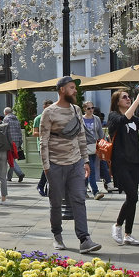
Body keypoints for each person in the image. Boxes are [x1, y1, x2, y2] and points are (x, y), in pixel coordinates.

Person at [41, 76, 101, 254]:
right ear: (62, 90)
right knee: (56, 202)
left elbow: (81, 136)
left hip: (75, 163)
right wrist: (46, 166)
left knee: (79, 199)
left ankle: (84, 239)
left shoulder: (76, 110)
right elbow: (43, 141)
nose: (75, 91)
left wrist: (85, 161)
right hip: (55, 164)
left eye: (75, 88)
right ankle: (57, 235)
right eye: (72, 87)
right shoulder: (49, 112)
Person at [106, 87, 139, 246]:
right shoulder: (113, 116)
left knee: (132, 199)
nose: (128, 99)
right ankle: (117, 225)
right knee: (133, 196)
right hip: (121, 163)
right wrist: (137, 101)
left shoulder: (133, 119)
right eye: (125, 97)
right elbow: (122, 121)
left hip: (135, 163)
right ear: (117, 102)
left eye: (129, 97)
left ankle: (128, 234)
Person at [82, 102, 106, 199]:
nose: (91, 110)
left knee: (88, 169)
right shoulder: (80, 119)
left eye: (92, 108)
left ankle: (83, 190)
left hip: (94, 147)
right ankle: (95, 191)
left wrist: (102, 144)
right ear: (84, 109)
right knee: (90, 169)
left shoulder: (96, 119)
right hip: (84, 147)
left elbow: (100, 132)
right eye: (88, 108)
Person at [2, 106, 26, 182]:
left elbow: (4, 131)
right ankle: (9, 177)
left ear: (5, 113)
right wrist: (20, 142)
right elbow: (19, 131)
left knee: (10, 159)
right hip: (17, 142)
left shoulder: (6, 119)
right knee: (11, 159)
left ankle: (19, 173)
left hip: (9, 142)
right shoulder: (16, 119)